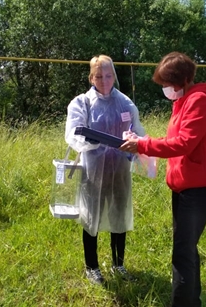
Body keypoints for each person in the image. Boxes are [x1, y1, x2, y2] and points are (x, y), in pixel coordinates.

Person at [119, 52, 206, 307]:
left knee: (182, 254)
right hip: (184, 187)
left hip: (198, 189)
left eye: (169, 83)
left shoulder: (199, 101)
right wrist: (144, 143)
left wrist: (143, 145)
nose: (166, 88)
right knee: (186, 251)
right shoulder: (184, 100)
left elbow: (184, 143)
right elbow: (173, 142)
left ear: (185, 79)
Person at [65, 54, 145, 285]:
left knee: (119, 213)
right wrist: (95, 141)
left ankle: (118, 264)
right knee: (91, 216)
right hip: (93, 170)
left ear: (114, 75)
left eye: (108, 75)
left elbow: (137, 130)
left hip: (120, 169)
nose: (104, 80)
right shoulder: (82, 103)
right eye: (99, 76)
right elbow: (73, 133)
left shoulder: (126, 103)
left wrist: (140, 145)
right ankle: (92, 267)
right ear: (91, 77)